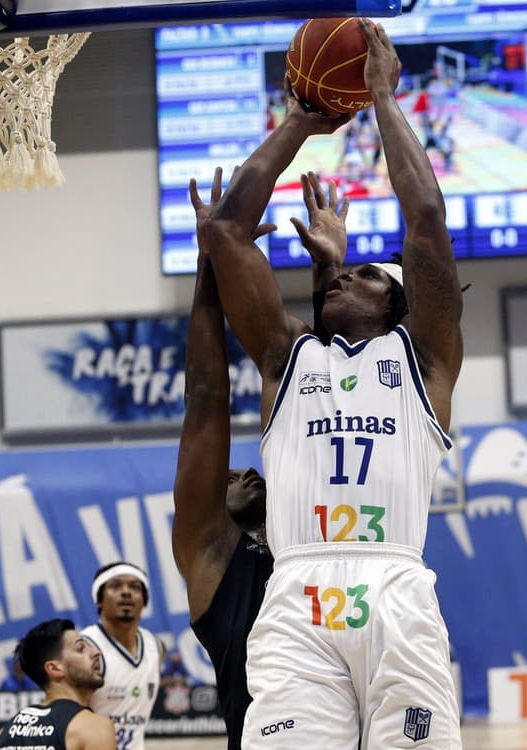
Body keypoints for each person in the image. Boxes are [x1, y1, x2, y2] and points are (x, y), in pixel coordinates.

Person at [199, 18, 464, 749]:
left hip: (395, 595)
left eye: (369, 273)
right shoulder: (289, 358)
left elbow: (428, 220)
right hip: (297, 596)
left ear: (402, 305)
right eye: (343, 271)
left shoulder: (427, 363)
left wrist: (381, 97)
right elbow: (225, 234)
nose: (348, 273)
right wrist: (300, 122)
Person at [172, 167, 347, 749]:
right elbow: (204, 397)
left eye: (250, 468)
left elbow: (323, 397)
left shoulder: (309, 531)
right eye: (229, 477)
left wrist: (329, 275)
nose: (245, 470)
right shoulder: (211, 556)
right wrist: (209, 266)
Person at [0, 618, 116, 750]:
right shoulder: (93, 728)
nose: (96, 653)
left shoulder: (2, 735)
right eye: (80, 648)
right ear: (54, 668)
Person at [80, 562, 164, 750]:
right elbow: (68, 722)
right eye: (115, 586)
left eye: (135, 587)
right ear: (99, 600)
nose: (126, 592)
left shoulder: (156, 647)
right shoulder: (85, 648)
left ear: (145, 600)